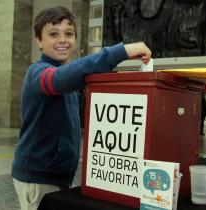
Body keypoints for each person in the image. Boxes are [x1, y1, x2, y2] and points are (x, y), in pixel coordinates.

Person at [11, 6, 151, 210]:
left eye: (69, 34)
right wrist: (121, 52)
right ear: (39, 41)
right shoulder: (38, 73)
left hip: (57, 173)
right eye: (53, 34)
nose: (62, 39)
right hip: (38, 175)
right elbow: (58, 80)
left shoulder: (69, 76)